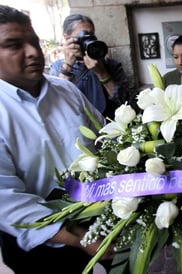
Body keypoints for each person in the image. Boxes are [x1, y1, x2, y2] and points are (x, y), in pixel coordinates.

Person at [0, 5, 114, 274]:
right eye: (13, 45)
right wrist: (78, 238)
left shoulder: (65, 90)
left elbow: (103, 138)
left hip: (97, 217)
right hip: (40, 243)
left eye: (34, 42)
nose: (33, 52)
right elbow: (8, 201)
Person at [49, 13, 132, 119]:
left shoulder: (110, 65)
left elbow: (125, 103)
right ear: (67, 38)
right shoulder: (57, 68)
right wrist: (68, 66)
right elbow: (54, 105)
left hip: (108, 127)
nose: (88, 41)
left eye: (91, 36)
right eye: (83, 36)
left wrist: (102, 73)